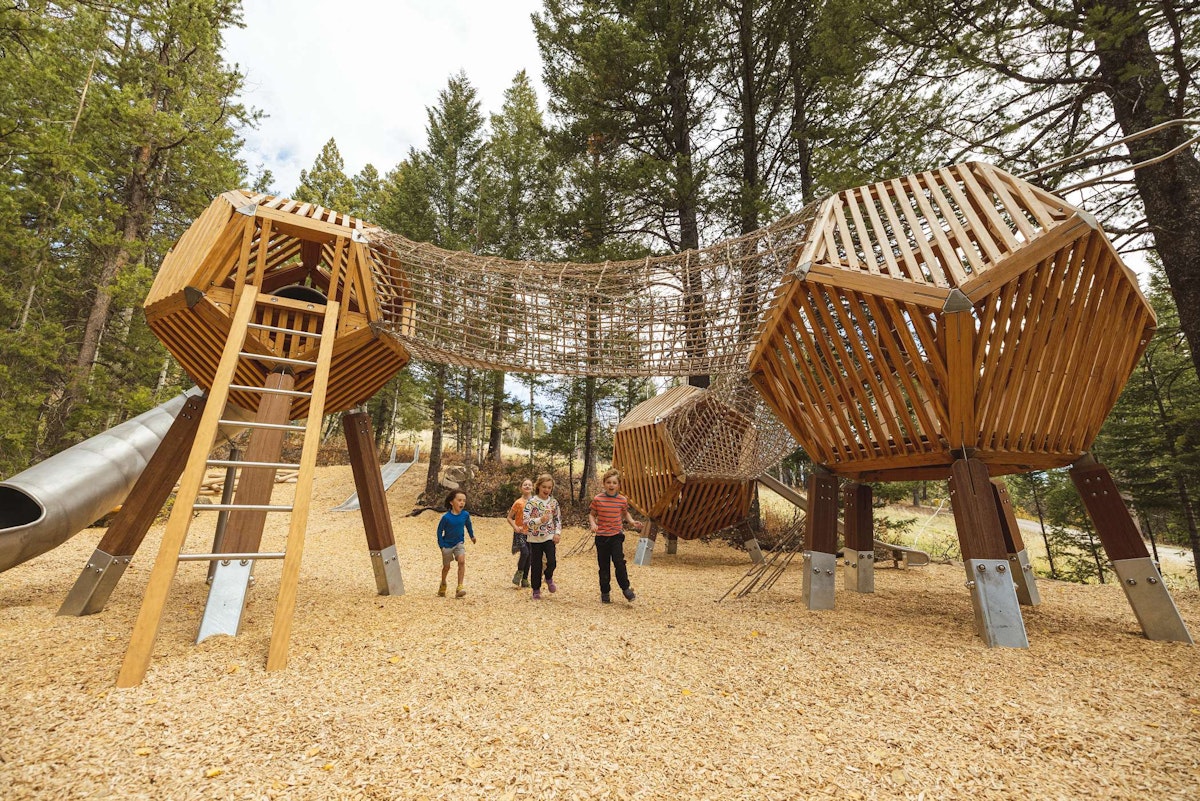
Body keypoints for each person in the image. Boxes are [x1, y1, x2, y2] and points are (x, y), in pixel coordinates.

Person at [588, 468, 643, 603]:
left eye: (614, 483)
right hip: (601, 537)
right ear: (604, 484)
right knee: (604, 566)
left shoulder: (622, 500)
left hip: (616, 536)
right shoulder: (598, 499)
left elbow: (625, 513)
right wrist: (593, 524)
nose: (611, 485)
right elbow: (592, 514)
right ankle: (605, 592)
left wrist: (632, 522)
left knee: (619, 562)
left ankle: (626, 589)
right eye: (608, 482)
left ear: (618, 485)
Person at [523, 474, 561, 600]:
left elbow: (557, 519)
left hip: (549, 536)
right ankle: (536, 589)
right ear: (538, 486)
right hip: (534, 538)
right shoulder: (531, 502)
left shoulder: (553, 502)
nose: (546, 490)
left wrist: (557, 533)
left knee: (552, 561)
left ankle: (548, 577)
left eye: (549, 487)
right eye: (544, 487)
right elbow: (526, 521)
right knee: (536, 564)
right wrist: (540, 520)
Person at [436, 489, 475, 598]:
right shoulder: (446, 518)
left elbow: (468, 525)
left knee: (461, 561)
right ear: (451, 502)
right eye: (459, 500)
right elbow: (439, 531)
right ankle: (443, 583)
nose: (462, 503)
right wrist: (441, 546)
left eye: (464, 500)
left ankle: (460, 587)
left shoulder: (465, 515)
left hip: (459, 543)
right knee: (446, 567)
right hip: (447, 545)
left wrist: (472, 536)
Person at [507, 478, 533, 588]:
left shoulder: (536, 502)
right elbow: (509, 517)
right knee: (525, 553)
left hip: (532, 533)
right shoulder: (518, 502)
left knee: (530, 555)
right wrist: (515, 527)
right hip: (520, 533)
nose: (527, 486)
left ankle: (525, 579)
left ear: (532, 488)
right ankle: (519, 573)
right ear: (521, 488)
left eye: (529, 485)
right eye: (525, 485)